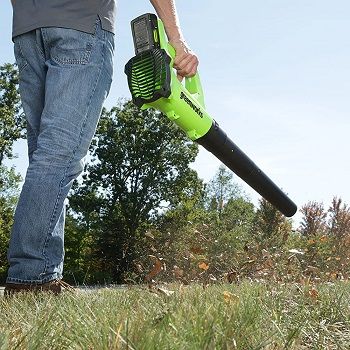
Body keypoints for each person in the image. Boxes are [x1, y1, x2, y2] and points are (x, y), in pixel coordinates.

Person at [5, 0, 199, 295]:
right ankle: (31, 277)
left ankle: (43, 273)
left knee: (44, 159)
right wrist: (177, 40)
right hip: (80, 25)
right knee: (57, 157)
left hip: (27, 31)